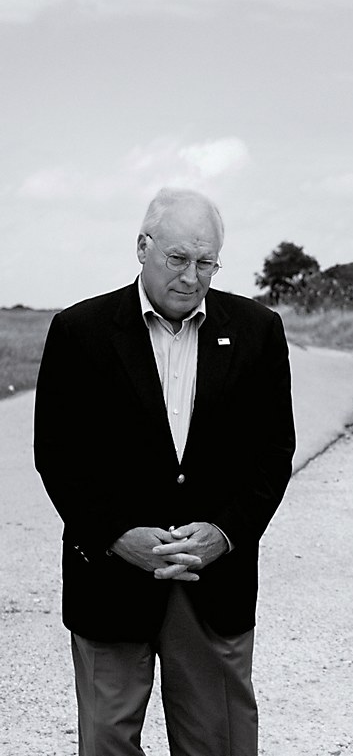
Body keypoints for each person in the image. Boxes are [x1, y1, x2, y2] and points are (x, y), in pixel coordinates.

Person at [34, 187, 296, 756]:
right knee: (106, 742)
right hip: (110, 578)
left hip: (213, 580)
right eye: (178, 259)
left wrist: (225, 532)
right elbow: (57, 453)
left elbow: (273, 453)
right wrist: (114, 535)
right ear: (142, 248)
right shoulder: (79, 332)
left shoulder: (258, 330)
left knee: (218, 743)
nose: (192, 276)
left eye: (207, 263)